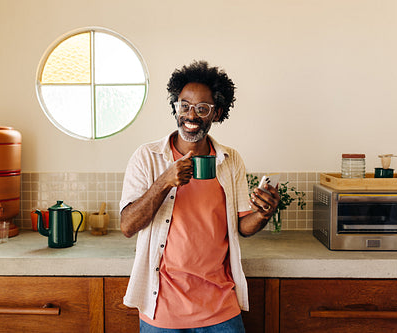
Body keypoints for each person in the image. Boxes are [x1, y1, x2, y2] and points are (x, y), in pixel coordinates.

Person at [119, 60, 280, 332]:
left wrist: (264, 213)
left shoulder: (230, 160)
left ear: (216, 113)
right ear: (175, 107)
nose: (191, 116)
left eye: (202, 108)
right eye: (184, 105)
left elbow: (244, 226)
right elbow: (127, 226)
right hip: (162, 308)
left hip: (220, 306)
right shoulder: (147, 157)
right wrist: (164, 182)